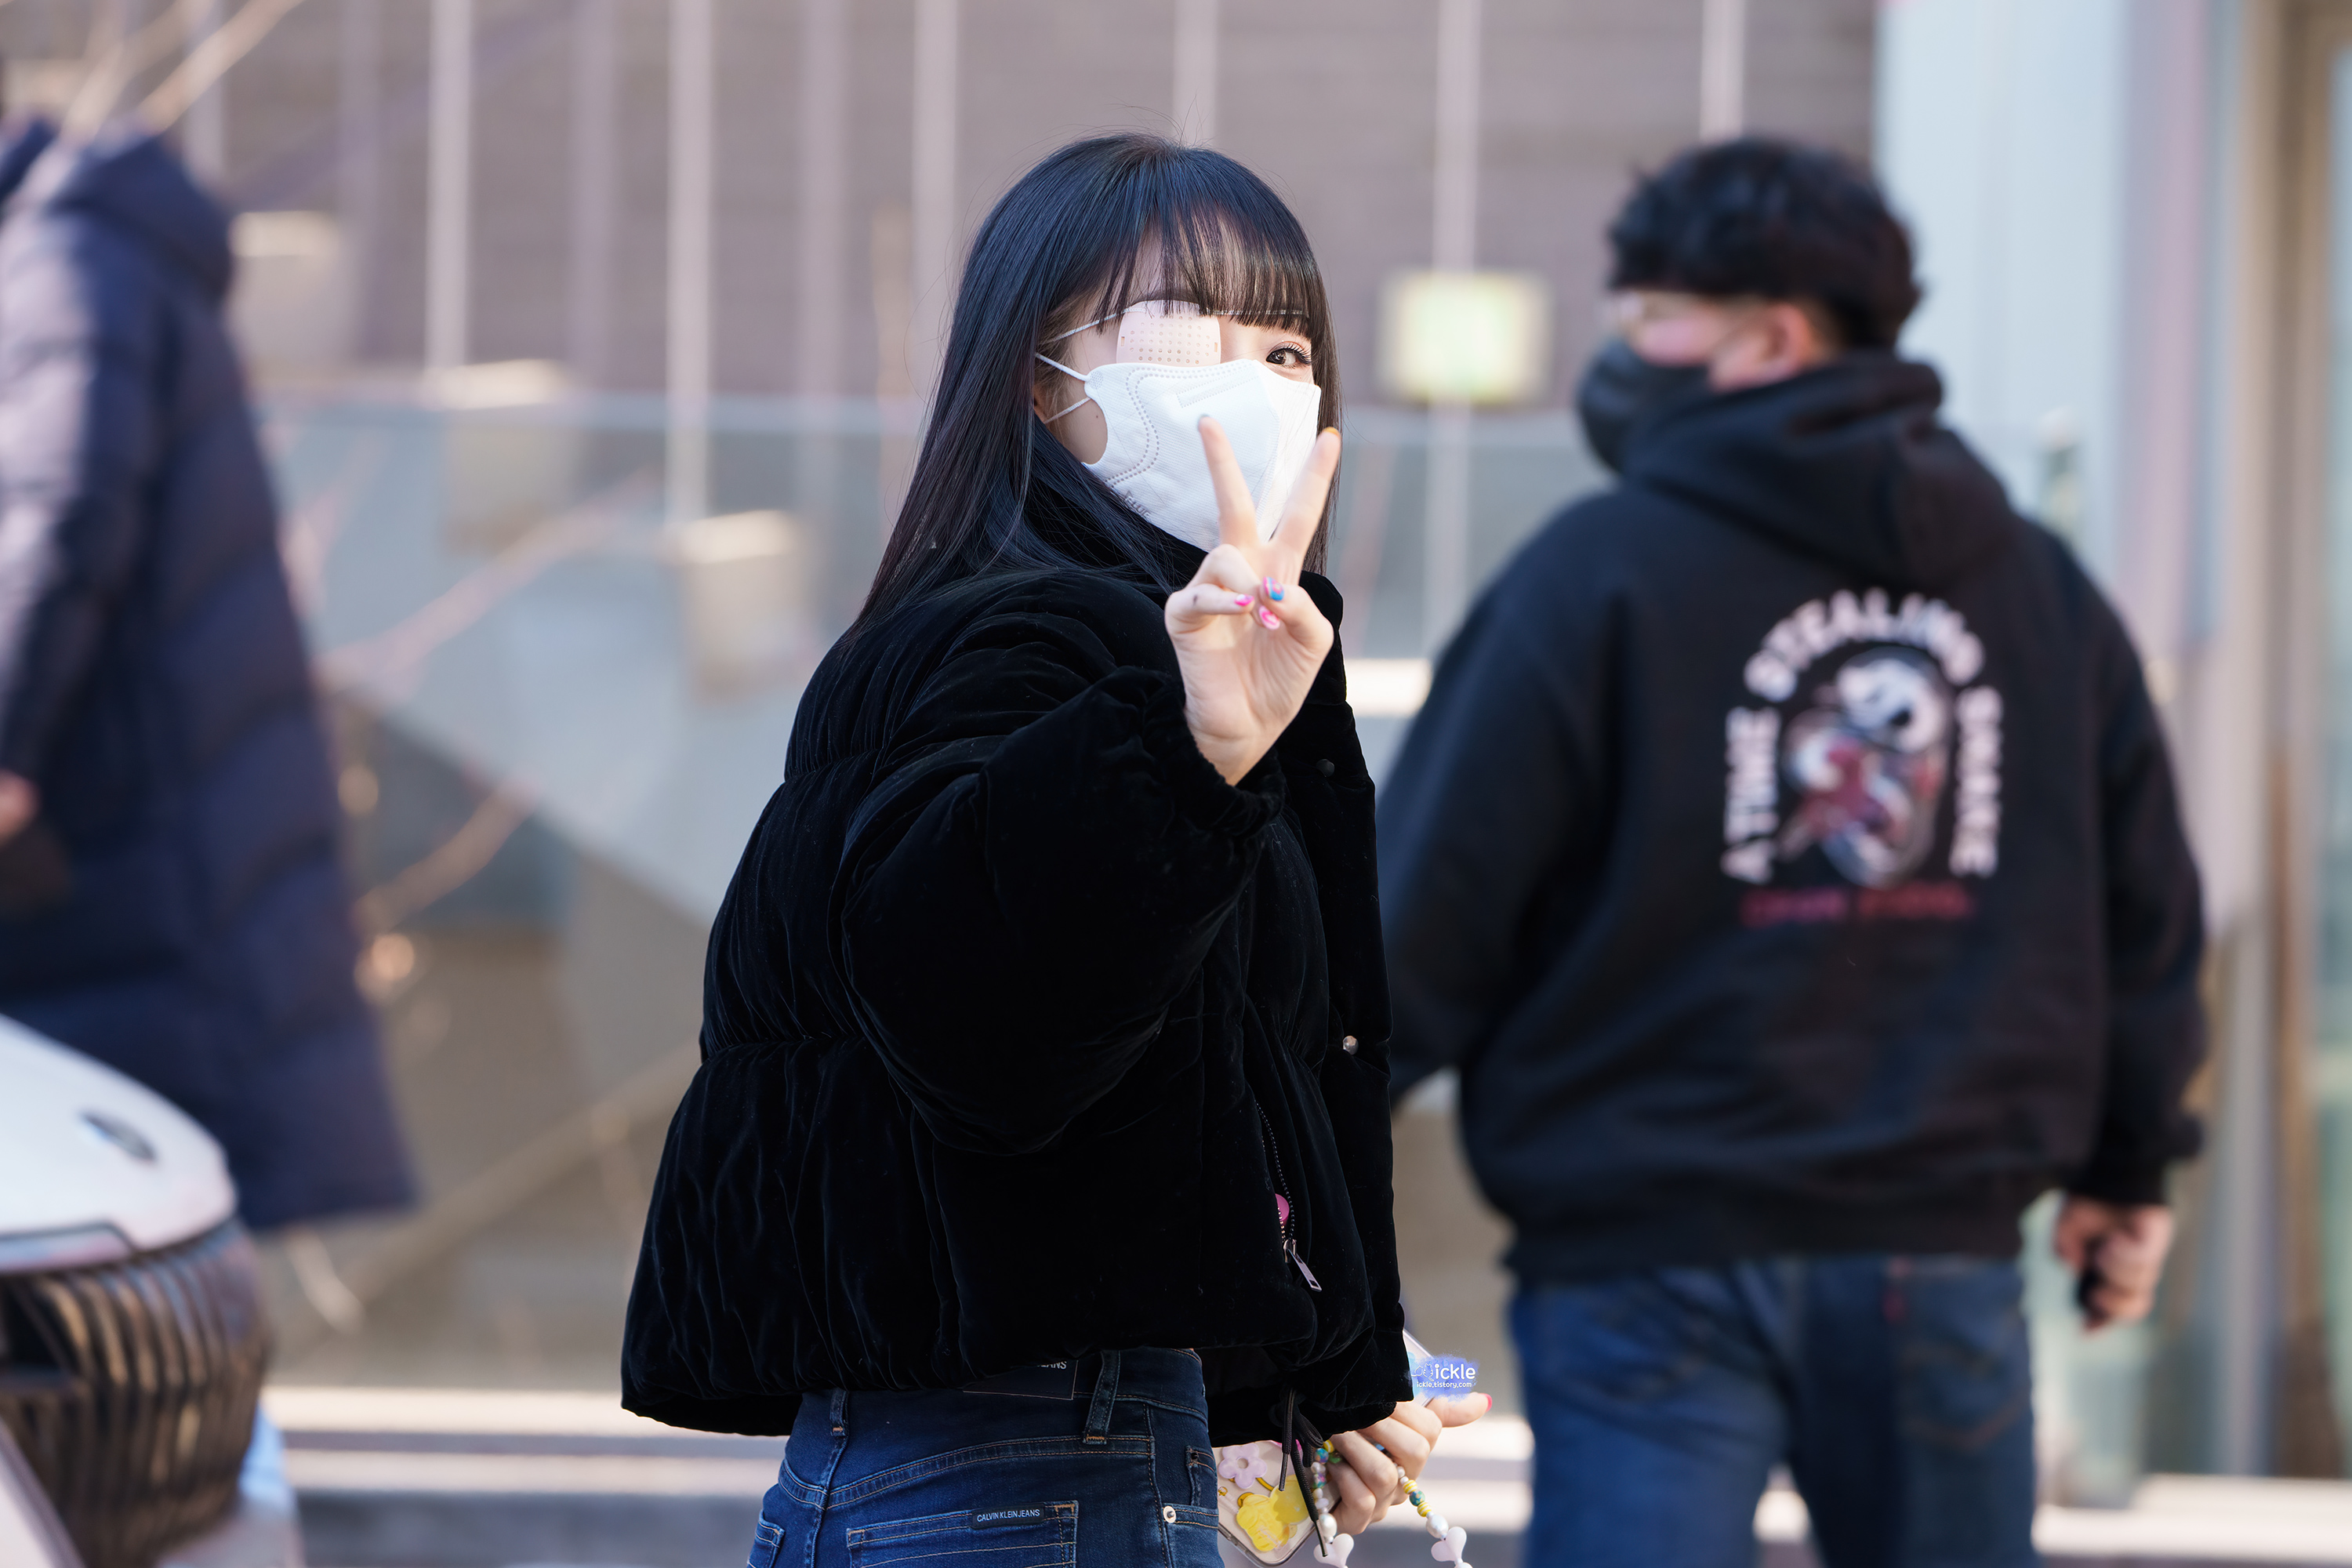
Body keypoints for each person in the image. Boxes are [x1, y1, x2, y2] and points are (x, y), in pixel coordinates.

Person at [622, 134, 1480, 1567]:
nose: (1250, 385)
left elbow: (1161, 1114)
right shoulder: (1030, 633)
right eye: (1183, 335)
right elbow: (976, 1023)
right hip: (1030, 1462)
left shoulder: (1169, 646)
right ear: (1039, 380)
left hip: (1037, 1453)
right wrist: (1188, 748)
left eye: (1285, 352)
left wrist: (1323, 1384)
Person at [1378, 138, 2205, 1567]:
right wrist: (2131, 1169)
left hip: (1642, 1257)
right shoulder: (2040, 591)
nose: (1619, 358)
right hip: (1937, 1252)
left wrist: (1301, 1162)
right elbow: (2145, 909)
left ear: (1770, 338)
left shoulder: (1593, 575)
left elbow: (1421, 908)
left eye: (1652, 320)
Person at [0, 114, 410, 1231]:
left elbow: (64, 508)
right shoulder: (75, 250)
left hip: (133, 870)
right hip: (146, 861)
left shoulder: (62, 256)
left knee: (133, 1247)